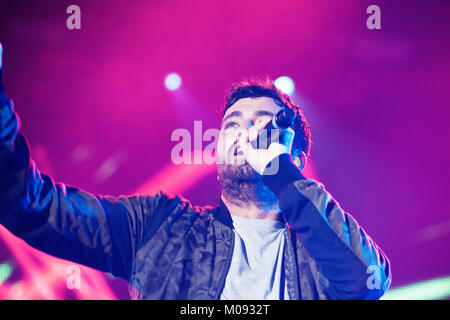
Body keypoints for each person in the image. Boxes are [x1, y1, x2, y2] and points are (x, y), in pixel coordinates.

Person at [0, 43, 391, 300]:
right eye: (233, 123)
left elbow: (367, 281)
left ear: (296, 155)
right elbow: (32, 207)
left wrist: (280, 173)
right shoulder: (159, 227)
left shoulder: (318, 255)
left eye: (264, 124)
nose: (247, 132)